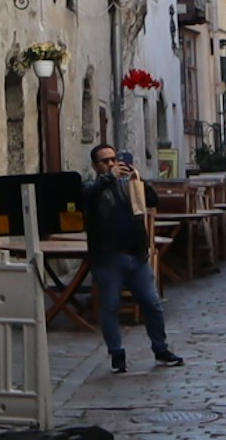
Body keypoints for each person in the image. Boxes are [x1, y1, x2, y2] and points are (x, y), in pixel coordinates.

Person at [77, 143, 182, 372]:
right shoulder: (91, 187)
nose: (111, 164)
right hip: (108, 258)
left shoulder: (129, 184)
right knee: (110, 306)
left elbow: (153, 200)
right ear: (96, 166)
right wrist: (107, 179)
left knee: (152, 304)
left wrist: (140, 180)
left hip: (136, 256)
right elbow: (85, 197)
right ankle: (116, 354)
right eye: (105, 161)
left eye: (113, 159)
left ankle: (160, 348)